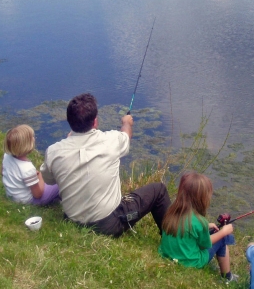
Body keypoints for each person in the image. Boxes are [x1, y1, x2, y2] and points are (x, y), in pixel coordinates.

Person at [40, 93, 170, 237]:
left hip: (71, 221)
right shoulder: (111, 140)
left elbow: (49, 180)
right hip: (108, 225)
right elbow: (126, 135)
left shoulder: (53, 151)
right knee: (159, 191)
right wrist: (127, 122)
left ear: (70, 121)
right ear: (95, 122)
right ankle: (172, 242)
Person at [159, 171, 238, 282]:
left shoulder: (172, 210)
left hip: (167, 254)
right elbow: (205, 244)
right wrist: (223, 232)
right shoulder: (199, 221)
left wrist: (207, 226)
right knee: (222, 238)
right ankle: (227, 277)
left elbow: (188, 227)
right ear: (201, 198)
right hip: (190, 262)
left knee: (216, 234)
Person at [2, 124, 60, 206]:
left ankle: (55, 197)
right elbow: (38, 194)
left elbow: (2, 172)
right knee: (59, 181)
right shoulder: (27, 168)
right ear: (26, 145)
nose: (34, 138)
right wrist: (40, 176)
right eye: (32, 137)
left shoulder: (6, 156)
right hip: (28, 201)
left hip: (12, 195)